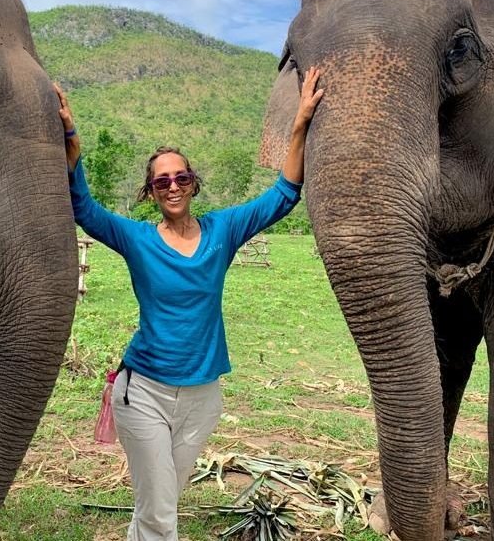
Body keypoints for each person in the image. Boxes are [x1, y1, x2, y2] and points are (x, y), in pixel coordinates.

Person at [53, 64, 323, 541]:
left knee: (160, 503)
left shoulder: (223, 230)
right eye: (162, 182)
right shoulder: (136, 238)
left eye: (180, 177)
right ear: (151, 192)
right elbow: (85, 211)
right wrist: (73, 146)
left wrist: (299, 125)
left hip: (203, 397)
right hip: (144, 393)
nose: (172, 186)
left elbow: (283, 195)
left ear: (193, 182)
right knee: (160, 511)